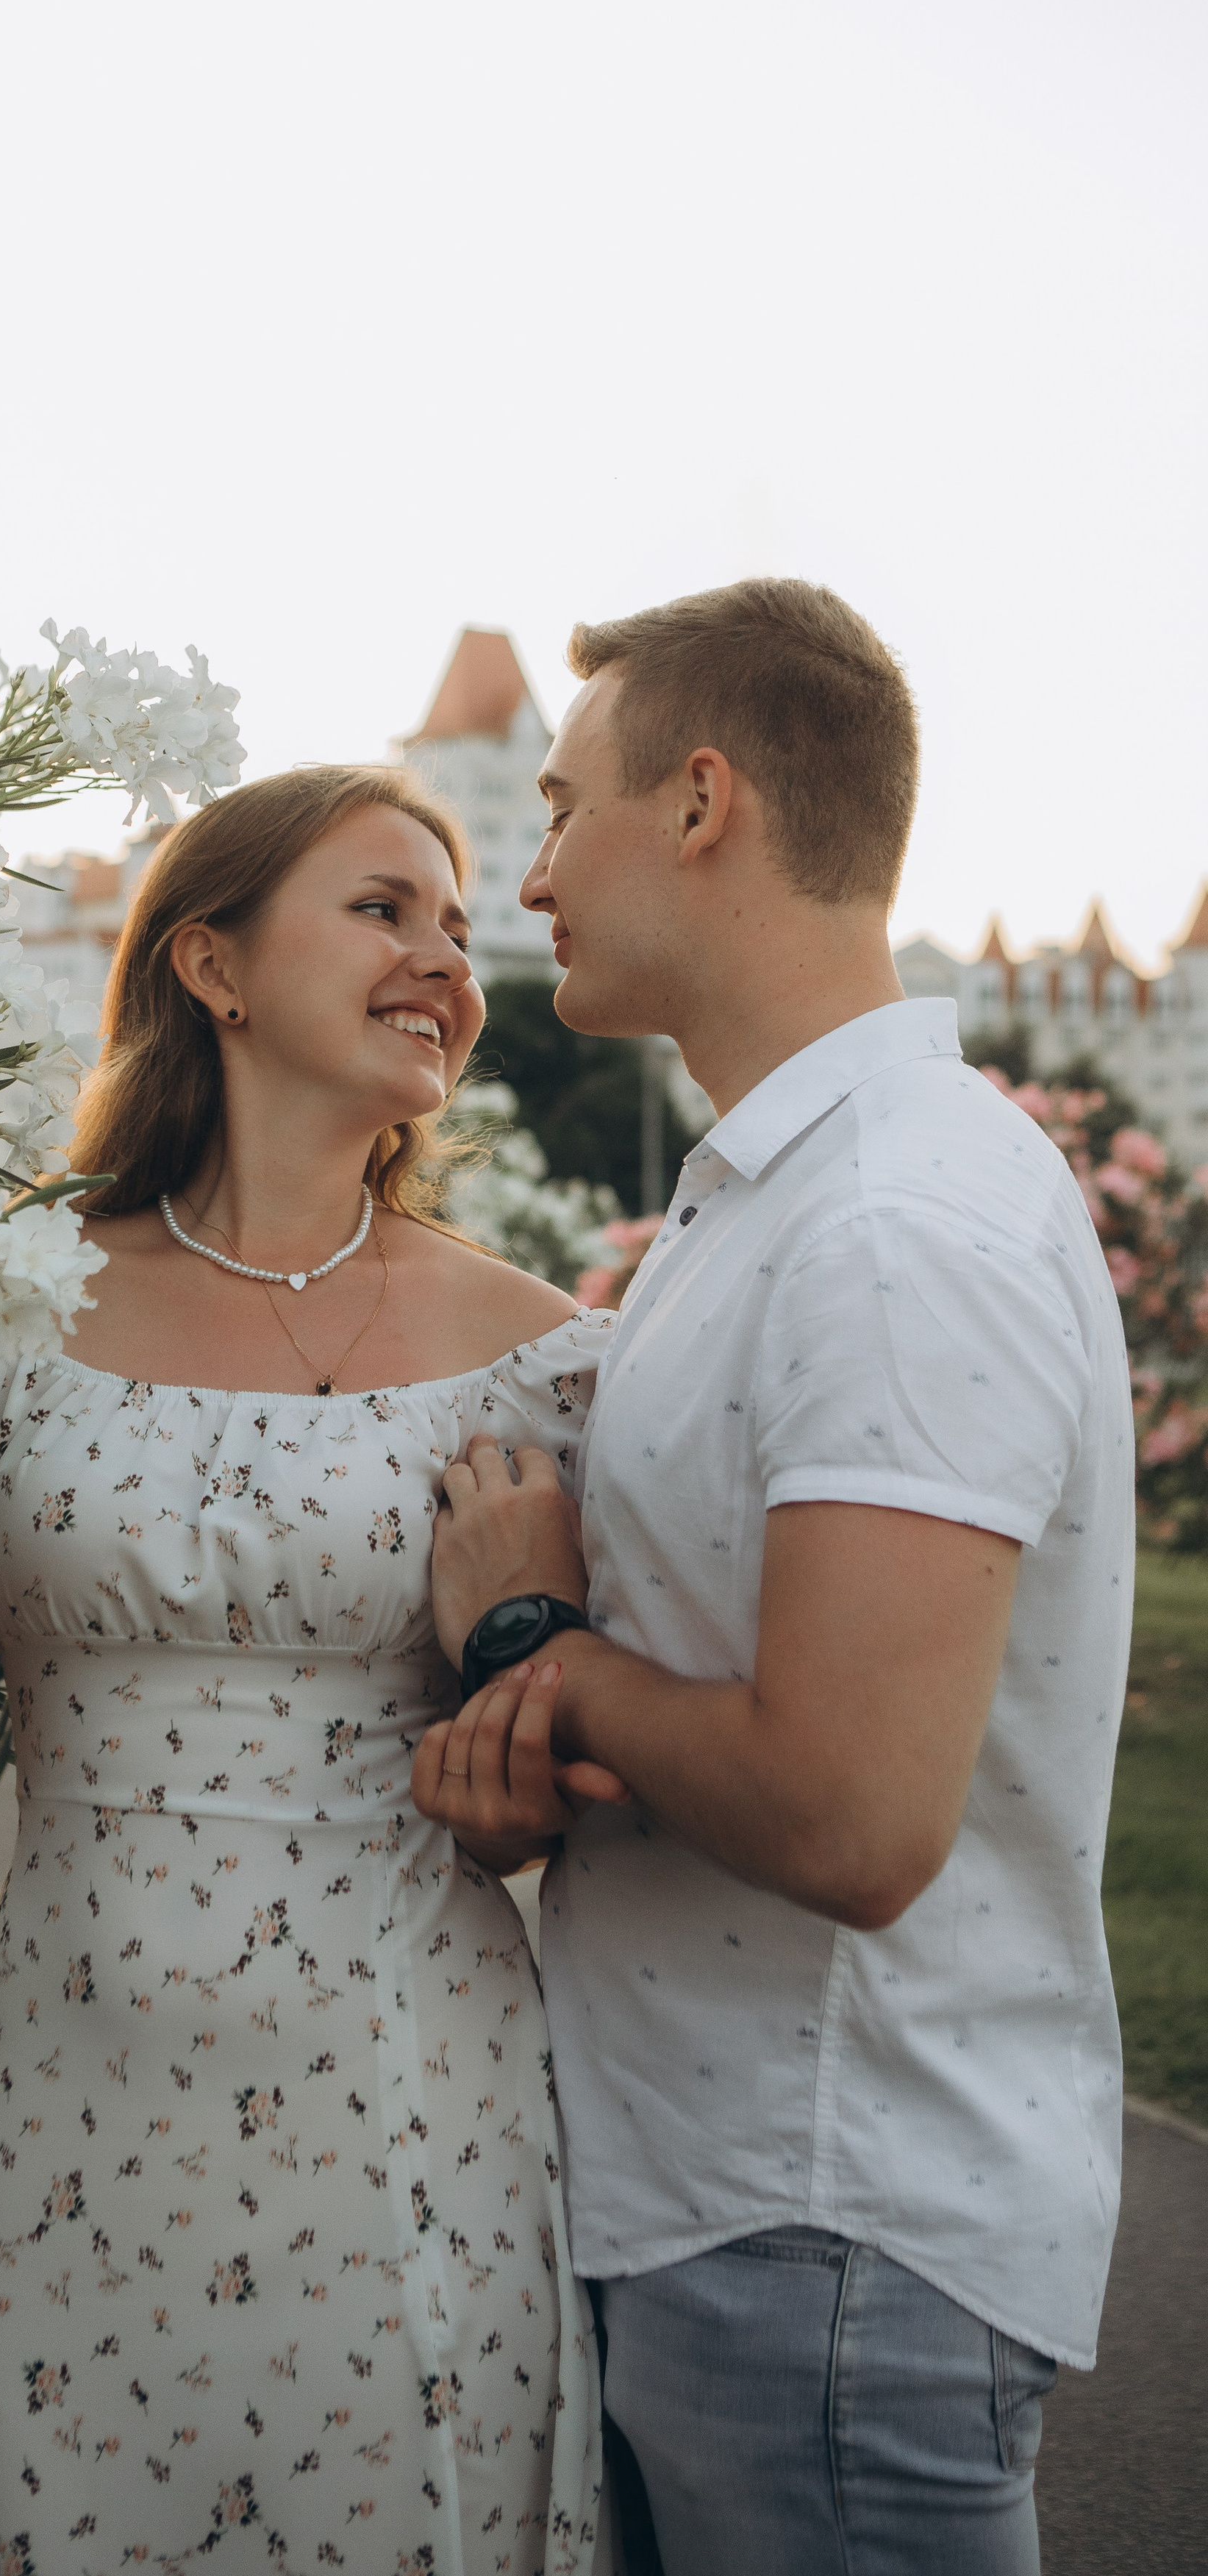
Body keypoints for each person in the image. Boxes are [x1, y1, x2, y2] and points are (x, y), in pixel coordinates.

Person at [0, 764, 621, 2576]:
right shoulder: (6, 1313)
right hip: (72, 2106)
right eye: (383, 907)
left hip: (413, 2098)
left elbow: (576, 1798)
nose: (442, 961)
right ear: (211, 965)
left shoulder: (542, 1364)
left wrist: (514, 1766)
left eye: (459, 929)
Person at [413, 577, 1134, 2576]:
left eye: (560, 810)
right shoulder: (786, 1193)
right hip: (730, 2211)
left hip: (832, 2239)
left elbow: (850, 1808)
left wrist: (535, 1647)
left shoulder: (898, 1217)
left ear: (705, 801)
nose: (529, 871)